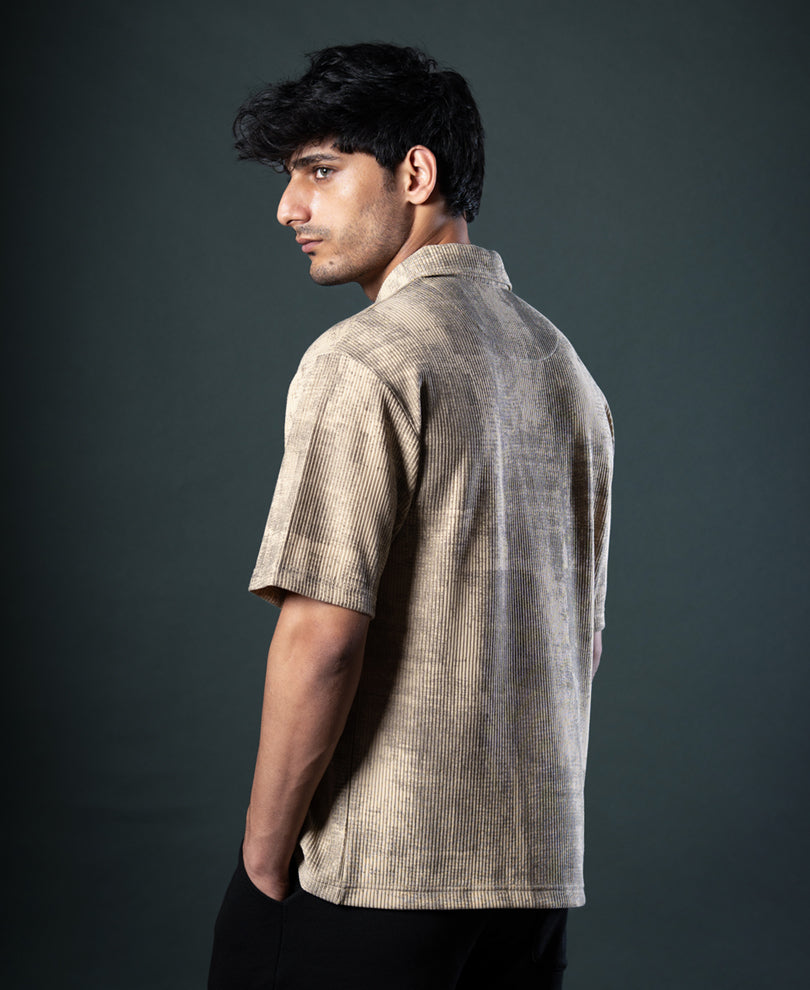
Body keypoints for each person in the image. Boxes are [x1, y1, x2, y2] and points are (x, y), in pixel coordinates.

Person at [208, 43, 614, 990]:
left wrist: (264, 860)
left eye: (320, 171)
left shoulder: (365, 360)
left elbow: (322, 639)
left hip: (378, 877)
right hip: (533, 886)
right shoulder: (567, 371)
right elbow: (582, 641)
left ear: (416, 174)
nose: (289, 208)